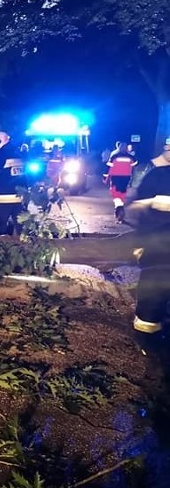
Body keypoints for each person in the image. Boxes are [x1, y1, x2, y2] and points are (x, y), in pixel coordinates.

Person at [128, 139, 170, 343]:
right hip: (158, 250)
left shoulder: (157, 176)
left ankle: (147, 342)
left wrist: (140, 244)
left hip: (158, 251)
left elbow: (140, 211)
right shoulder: (157, 175)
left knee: (152, 298)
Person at [104, 144, 137, 223]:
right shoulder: (130, 157)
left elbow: (109, 167)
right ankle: (119, 208)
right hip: (126, 178)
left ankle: (119, 208)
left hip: (115, 177)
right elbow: (134, 167)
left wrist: (105, 177)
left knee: (115, 192)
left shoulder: (114, 156)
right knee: (122, 192)